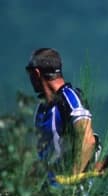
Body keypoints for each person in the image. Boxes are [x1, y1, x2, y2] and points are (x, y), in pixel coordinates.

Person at [26, 48, 97, 185]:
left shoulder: (70, 97)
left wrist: (71, 179)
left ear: (36, 73)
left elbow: (88, 141)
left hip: (71, 195)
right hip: (49, 192)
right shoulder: (41, 107)